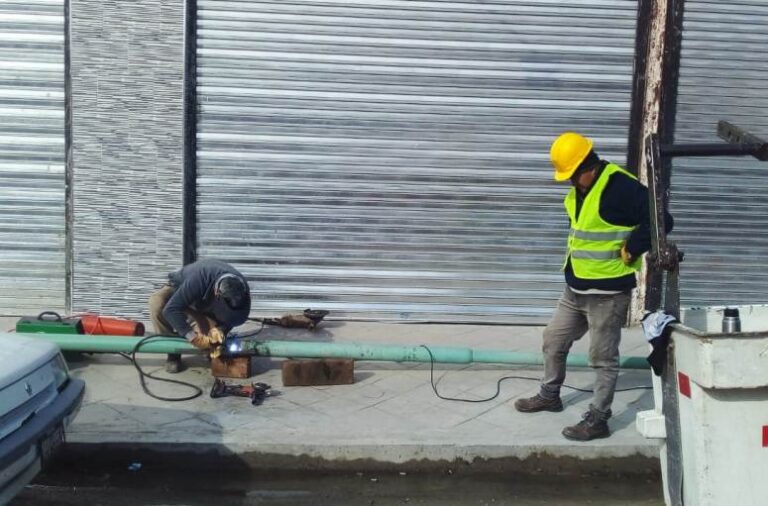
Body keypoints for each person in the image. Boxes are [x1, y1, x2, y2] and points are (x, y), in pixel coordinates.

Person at [514, 132, 673, 441]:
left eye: (572, 176)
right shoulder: (582, 189)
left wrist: (636, 244)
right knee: (553, 340)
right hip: (576, 287)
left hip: (607, 293)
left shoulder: (620, 187)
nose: (570, 182)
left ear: (588, 165)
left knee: (602, 358)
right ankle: (550, 395)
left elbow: (662, 218)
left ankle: (598, 419)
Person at [149, 258, 251, 373]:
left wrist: (220, 332)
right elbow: (170, 310)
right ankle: (172, 352)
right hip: (180, 288)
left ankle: (210, 346)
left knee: (210, 336)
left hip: (202, 301)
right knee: (156, 303)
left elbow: (233, 319)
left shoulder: (241, 290)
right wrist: (194, 338)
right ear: (217, 292)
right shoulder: (200, 278)